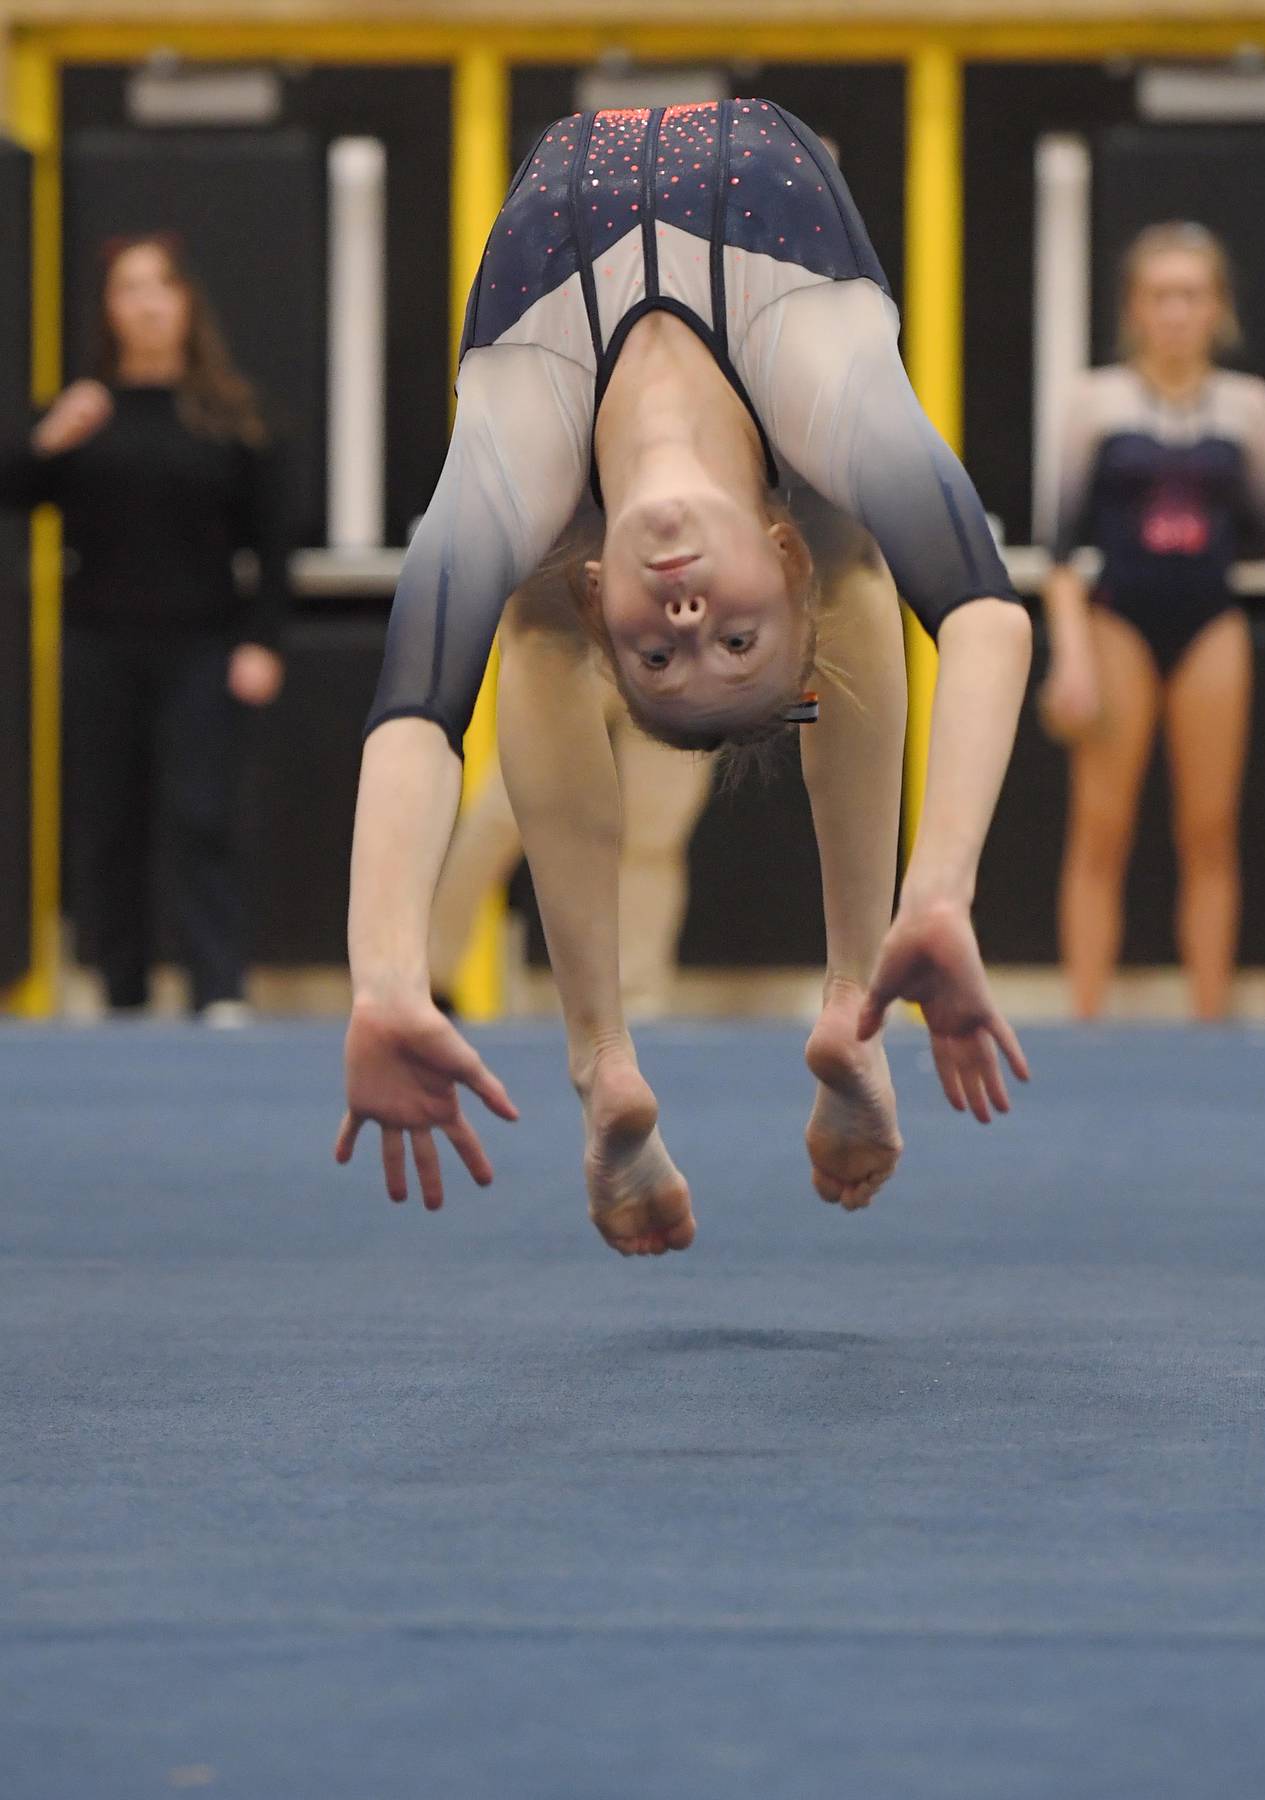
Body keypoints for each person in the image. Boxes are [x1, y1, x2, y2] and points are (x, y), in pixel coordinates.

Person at [337, 99, 1033, 1251]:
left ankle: (600, 1061)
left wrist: (383, 978)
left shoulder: (524, 438)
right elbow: (981, 611)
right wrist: (941, 886)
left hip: (571, 459)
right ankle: (853, 1004)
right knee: (859, 556)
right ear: (775, 556)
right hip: (787, 409)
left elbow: (414, 712)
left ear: (610, 595)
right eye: (737, 642)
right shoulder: (820, 376)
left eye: (658, 653)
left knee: (525, 608)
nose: (689, 616)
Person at [0, 233, 288, 1020]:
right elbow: (16, 487)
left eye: (160, 286)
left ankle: (219, 986)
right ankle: (120, 989)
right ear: (108, 309)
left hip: (203, 645)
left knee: (204, 815)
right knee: (107, 822)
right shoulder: (84, 408)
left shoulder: (229, 414)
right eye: (128, 289)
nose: (147, 304)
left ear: (186, 302)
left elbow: (271, 542)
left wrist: (262, 640)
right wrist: (46, 439)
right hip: (100, 645)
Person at [1038, 222, 1265, 1021]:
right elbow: (1059, 544)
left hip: (1210, 621)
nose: (1176, 312)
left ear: (1217, 308)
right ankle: (1086, 1019)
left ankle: (1210, 1022)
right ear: (1134, 309)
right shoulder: (1095, 400)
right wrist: (1071, 657)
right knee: (1100, 829)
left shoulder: (1249, 406)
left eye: (1191, 295)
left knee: (1210, 830)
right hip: (1117, 622)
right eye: (1160, 296)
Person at [428, 556, 714, 1021]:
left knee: (655, 832)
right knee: (511, 806)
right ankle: (426, 971)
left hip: (681, 634)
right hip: (567, 618)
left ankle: (637, 998)